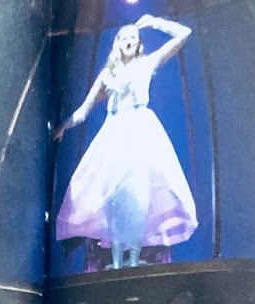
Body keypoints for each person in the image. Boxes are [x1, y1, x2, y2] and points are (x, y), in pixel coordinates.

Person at [54, 15, 198, 269]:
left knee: (138, 197)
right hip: (114, 134)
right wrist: (64, 126)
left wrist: (154, 22)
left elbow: (184, 34)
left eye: (134, 37)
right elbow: (85, 110)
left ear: (139, 43)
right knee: (115, 199)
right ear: (118, 43)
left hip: (140, 131)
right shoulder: (107, 75)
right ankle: (117, 262)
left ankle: (132, 261)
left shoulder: (147, 63)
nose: (129, 41)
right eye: (125, 37)